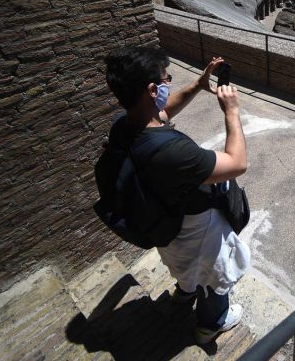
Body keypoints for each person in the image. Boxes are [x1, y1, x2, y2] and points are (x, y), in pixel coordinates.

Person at [102, 46, 249, 345]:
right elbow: (237, 164)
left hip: (166, 226)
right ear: (152, 89)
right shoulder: (172, 152)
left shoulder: (124, 126)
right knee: (213, 276)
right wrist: (232, 112)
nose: (169, 83)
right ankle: (212, 323)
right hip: (198, 229)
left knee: (184, 267)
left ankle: (183, 295)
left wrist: (197, 84)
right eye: (166, 79)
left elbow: (162, 112)